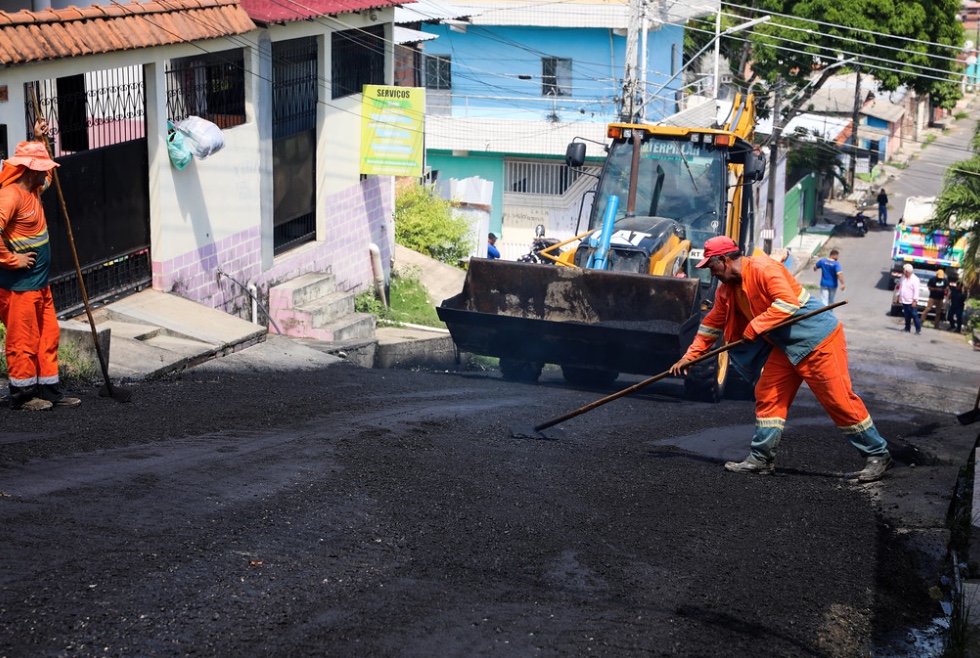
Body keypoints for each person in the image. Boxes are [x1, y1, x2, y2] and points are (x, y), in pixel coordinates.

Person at [668, 236, 892, 482]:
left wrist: (755, 327)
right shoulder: (727, 291)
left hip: (818, 341)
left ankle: (877, 455)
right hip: (786, 347)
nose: (712, 274)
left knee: (839, 401)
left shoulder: (765, 269)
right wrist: (690, 357)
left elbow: (788, 303)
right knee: (768, 393)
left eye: (712, 267)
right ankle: (761, 459)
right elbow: (711, 325)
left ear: (724, 260)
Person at [0, 120, 81, 411]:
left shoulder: (34, 188)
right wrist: (12, 260)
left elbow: (48, 174)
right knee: (22, 341)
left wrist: (39, 139)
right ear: (30, 170)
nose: (46, 172)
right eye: (41, 167)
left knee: (48, 335)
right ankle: (22, 397)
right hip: (19, 288)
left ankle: (49, 390)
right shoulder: (10, 195)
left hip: (40, 283)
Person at [897, 263, 922, 335]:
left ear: (907, 271)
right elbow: (901, 287)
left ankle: (918, 329)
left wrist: (915, 300)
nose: (903, 271)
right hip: (904, 300)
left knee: (914, 315)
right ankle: (907, 328)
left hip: (911, 301)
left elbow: (916, 291)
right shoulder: (903, 277)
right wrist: (898, 296)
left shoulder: (915, 279)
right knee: (906, 316)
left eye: (904, 270)